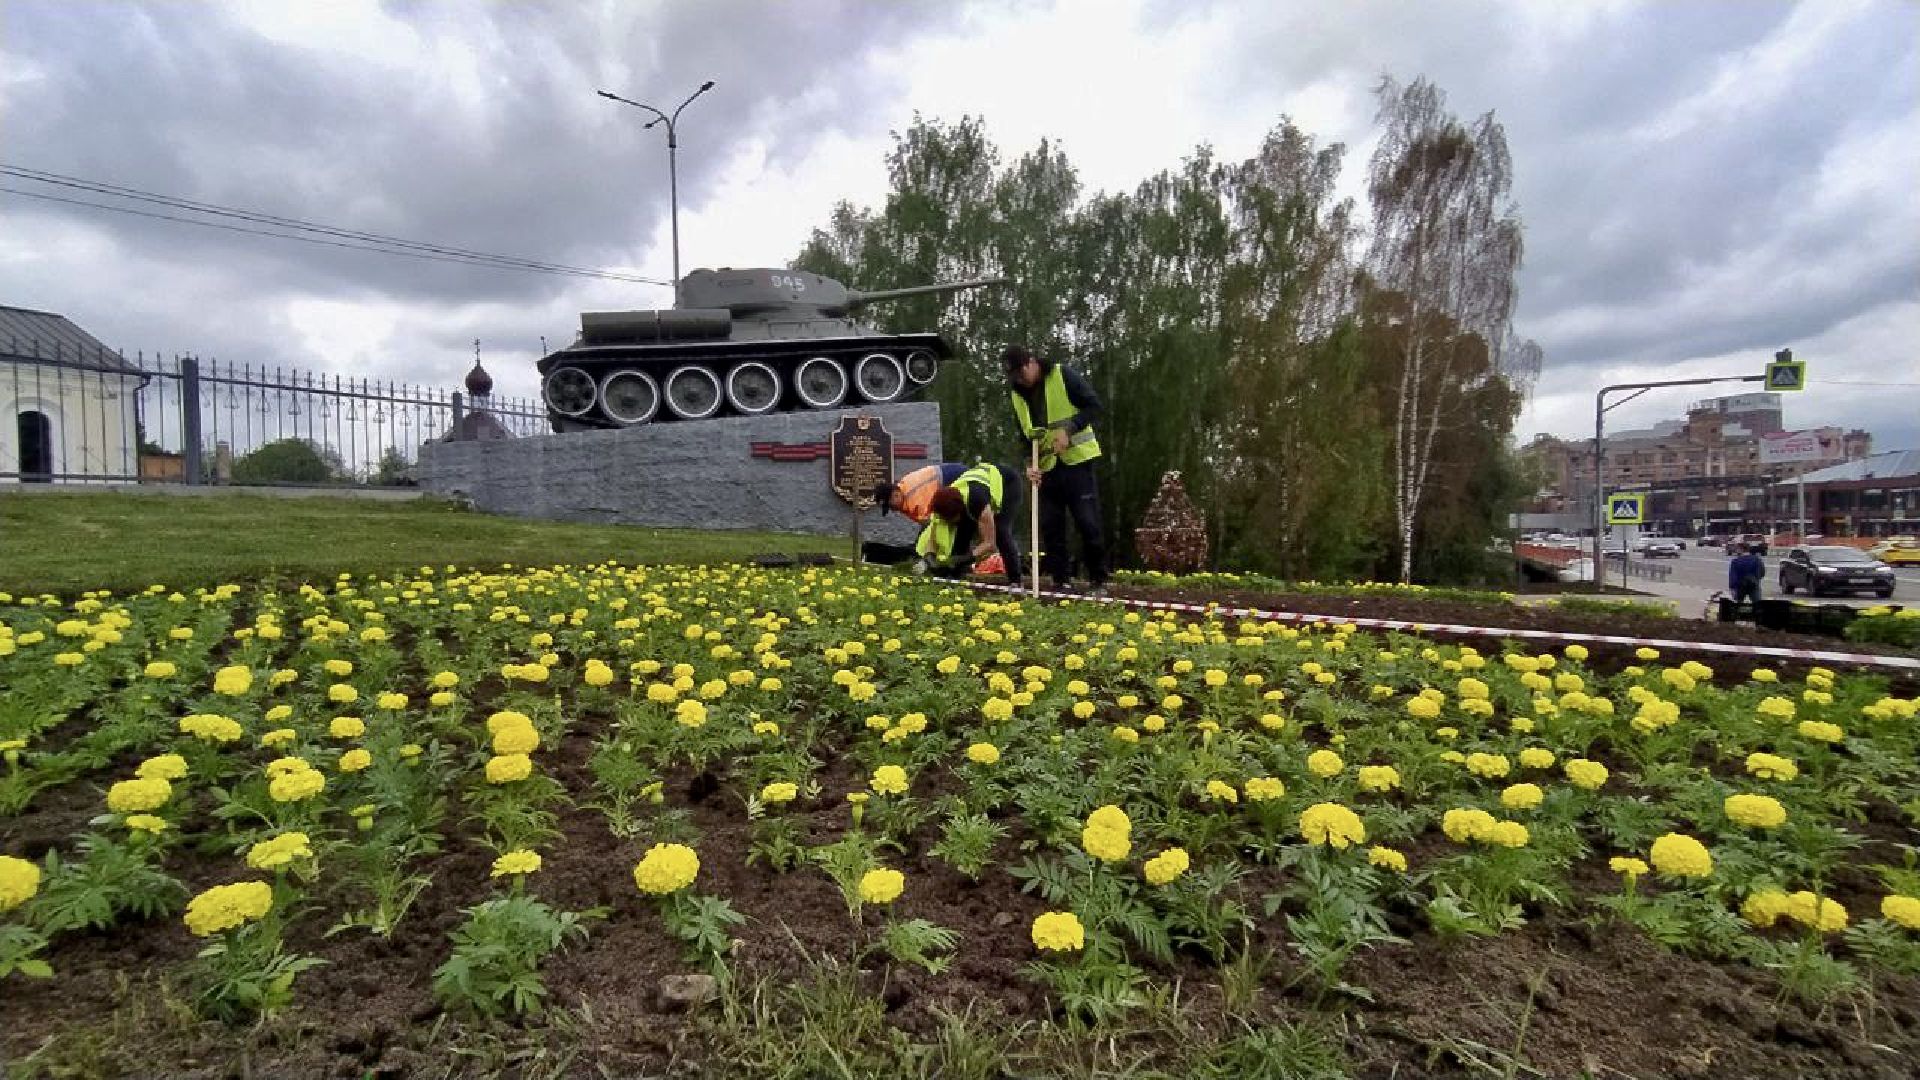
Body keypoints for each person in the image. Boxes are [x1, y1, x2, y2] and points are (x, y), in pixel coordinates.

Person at [1002, 344, 1107, 596]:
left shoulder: (1062, 375)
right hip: (1047, 468)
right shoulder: (1017, 394)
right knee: (1051, 527)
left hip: (1077, 462)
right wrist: (1029, 464)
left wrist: (1070, 429)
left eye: (1021, 373)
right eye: (1014, 376)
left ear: (1031, 362)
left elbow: (1094, 406)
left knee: (1087, 522)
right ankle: (1061, 582)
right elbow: (1024, 435)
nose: (1019, 380)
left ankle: (1098, 581)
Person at [912, 462, 1024, 581]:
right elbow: (932, 538)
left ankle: (1015, 580)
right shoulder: (940, 506)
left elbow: (990, 544)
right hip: (972, 494)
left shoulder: (977, 502)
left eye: (951, 520)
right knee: (961, 533)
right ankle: (954, 577)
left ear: (959, 512)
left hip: (1008, 484)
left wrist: (965, 558)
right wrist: (930, 557)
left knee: (1001, 531)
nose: (949, 524)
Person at [859, 462, 970, 566]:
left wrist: (927, 553)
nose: (893, 510)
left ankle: (960, 559)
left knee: (923, 547)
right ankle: (872, 552)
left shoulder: (914, 499)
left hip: (958, 479)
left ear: (895, 494)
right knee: (920, 548)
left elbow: (932, 525)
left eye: (890, 506)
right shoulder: (904, 491)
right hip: (950, 477)